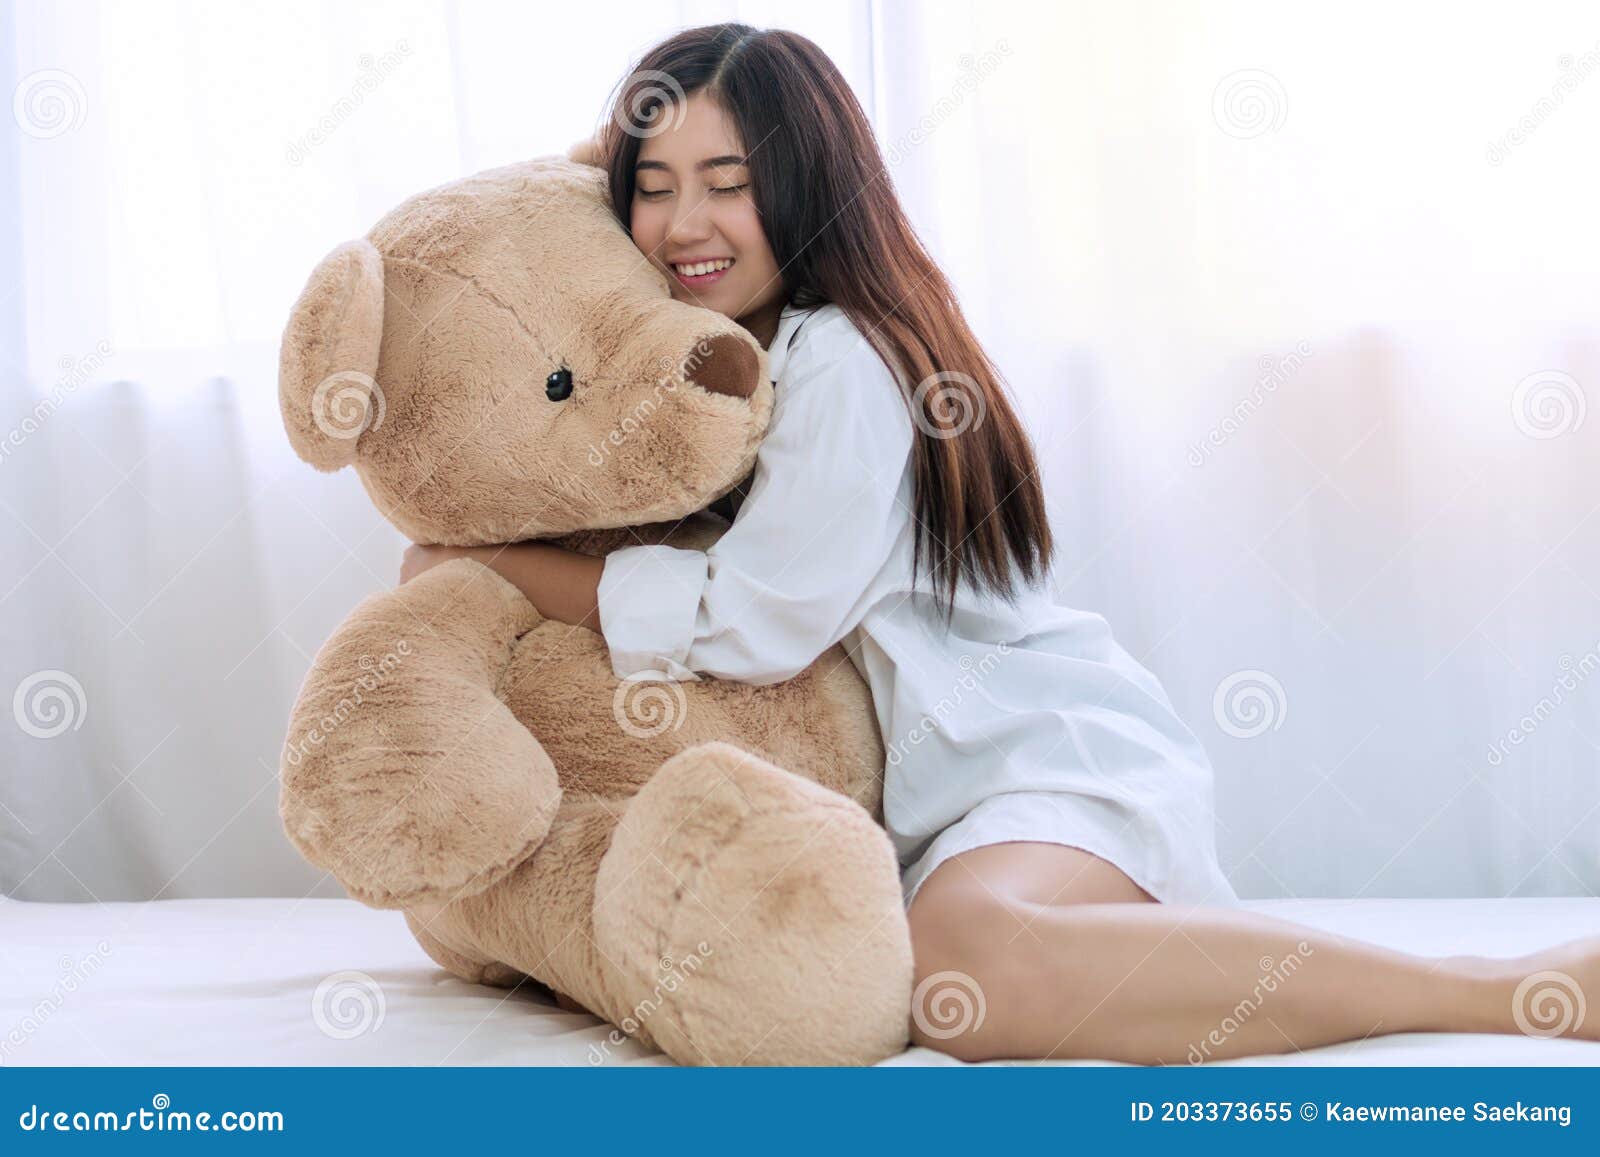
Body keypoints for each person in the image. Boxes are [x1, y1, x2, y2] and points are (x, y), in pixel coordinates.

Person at [400, 22, 1599, 1062]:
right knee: (949, 969)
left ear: (810, 185)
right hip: (968, 789)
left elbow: (759, 618)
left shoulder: (841, 358)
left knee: (958, 973)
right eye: (652, 185)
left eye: (728, 179)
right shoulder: (727, 380)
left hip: (1042, 759)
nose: (683, 222)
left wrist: (494, 573)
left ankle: (1499, 991)